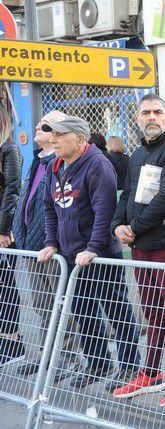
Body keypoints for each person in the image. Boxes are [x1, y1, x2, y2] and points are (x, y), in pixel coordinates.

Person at [38, 115, 141, 390]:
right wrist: (51, 242)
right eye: (53, 135)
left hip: (101, 253)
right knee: (82, 310)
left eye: (60, 135)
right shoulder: (55, 166)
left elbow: (104, 211)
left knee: (116, 309)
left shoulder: (98, 165)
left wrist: (94, 248)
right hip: (71, 253)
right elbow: (50, 208)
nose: (54, 140)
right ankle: (98, 362)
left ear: (80, 139)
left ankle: (130, 365)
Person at [111, 94, 165, 408]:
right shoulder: (136, 154)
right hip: (140, 247)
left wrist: (134, 228)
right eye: (145, 112)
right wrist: (118, 224)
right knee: (152, 312)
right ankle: (150, 373)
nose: (151, 116)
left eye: (157, 111)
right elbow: (127, 194)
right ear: (137, 118)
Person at [13, 110, 81, 378]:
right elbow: (26, 200)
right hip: (31, 245)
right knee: (42, 305)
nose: (38, 128)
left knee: (61, 304)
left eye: (45, 126)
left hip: (51, 247)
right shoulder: (37, 162)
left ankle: (69, 358)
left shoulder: (61, 163)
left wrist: (51, 241)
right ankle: (45, 354)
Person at [0, 105, 23, 367]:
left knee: (5, 285)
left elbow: (12, 191)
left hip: (5, 231)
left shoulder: (10, 149)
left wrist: (3, 230)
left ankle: (12, 340)